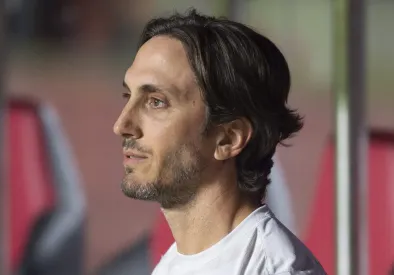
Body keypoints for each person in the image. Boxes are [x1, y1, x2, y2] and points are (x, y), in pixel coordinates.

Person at [113, 8, 325, 275]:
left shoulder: (275, 269)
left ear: (228, 138)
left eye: (156, 102)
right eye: (127, 96)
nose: (122, 125)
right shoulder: (173, 265)